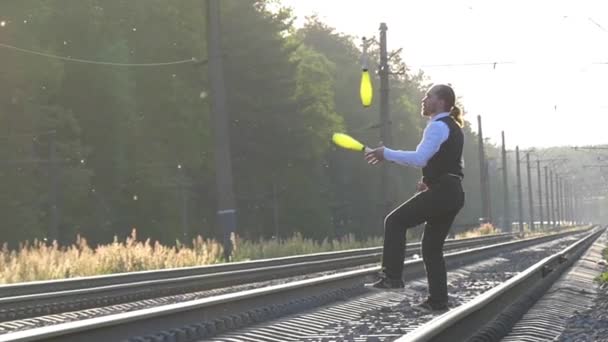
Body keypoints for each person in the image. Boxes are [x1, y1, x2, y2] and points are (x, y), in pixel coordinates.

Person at [363, 83, 465, 312]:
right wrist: (430, 182)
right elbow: (452, 164)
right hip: (452, 192)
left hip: (444, 192)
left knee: (395, 221)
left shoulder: (438, 126)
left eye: (428, 96)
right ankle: (438, 301)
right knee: (431, 247)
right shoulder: (452, 126)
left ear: (440, 102)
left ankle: (392, 276)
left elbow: (420, 159)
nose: (423, 99)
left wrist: (385, 153)